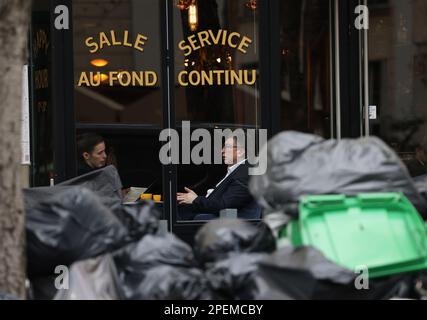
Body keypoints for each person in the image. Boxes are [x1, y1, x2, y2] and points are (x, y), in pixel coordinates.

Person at [177, 134, 261, 220]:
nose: (222, 151)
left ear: (240, 152)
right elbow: (219, 199)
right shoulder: (236, 170)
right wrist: (195, 198)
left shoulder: (245, 172)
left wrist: (196, 200)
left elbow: (225, 205)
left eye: (227, 147)